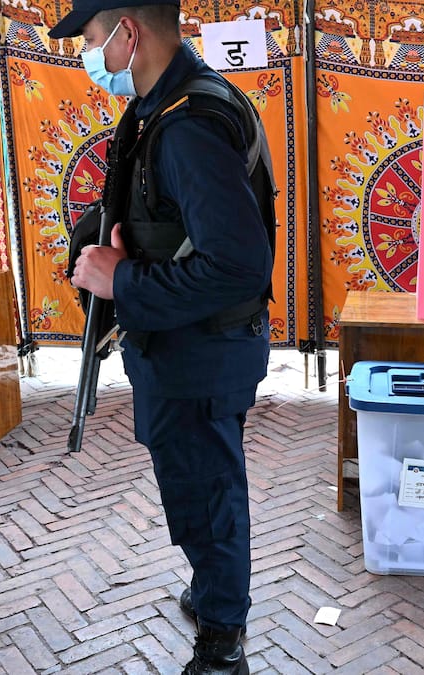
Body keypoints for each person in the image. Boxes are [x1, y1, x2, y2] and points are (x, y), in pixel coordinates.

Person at [51, 1, 274, 673]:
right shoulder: (163, 105)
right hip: (178, 346)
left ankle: (223, 636)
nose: (87, 55)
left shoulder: (187, 127)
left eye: (91, 39)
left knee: (208, 492)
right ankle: (213, 588)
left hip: (201, 352)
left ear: (128, 32)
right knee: (191, 482)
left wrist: (123, 283)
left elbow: (238, 265)